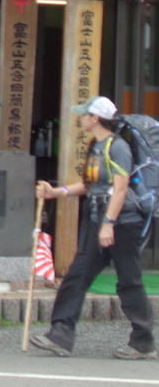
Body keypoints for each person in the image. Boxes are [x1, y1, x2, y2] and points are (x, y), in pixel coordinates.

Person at [30, 96, 156, 360]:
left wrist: (109, 224)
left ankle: (143, 342)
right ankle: (60, 335)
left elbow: (120, 189)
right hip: (97, 218)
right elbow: (89, 185)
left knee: (128, 281)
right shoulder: (95, 146)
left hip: (123, 222)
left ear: (95, 118)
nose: (80, 118)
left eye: (84, 114)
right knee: (77, 275)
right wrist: (57, 192)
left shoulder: (117, 147)